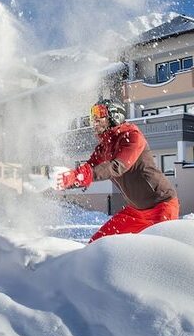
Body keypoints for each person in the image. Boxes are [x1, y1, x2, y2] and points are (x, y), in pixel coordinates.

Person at [56, 99, 179, 243]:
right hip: (136, 211)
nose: (94, 119)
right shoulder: (104, 147)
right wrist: (66, 180)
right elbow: (88, 169)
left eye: (99, 113)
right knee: (98, 243)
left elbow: (117, 166)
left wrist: (78, 176)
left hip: (161, 206)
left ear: (114, 115)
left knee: (160, 252)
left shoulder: (132, 137)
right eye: (92, 115)